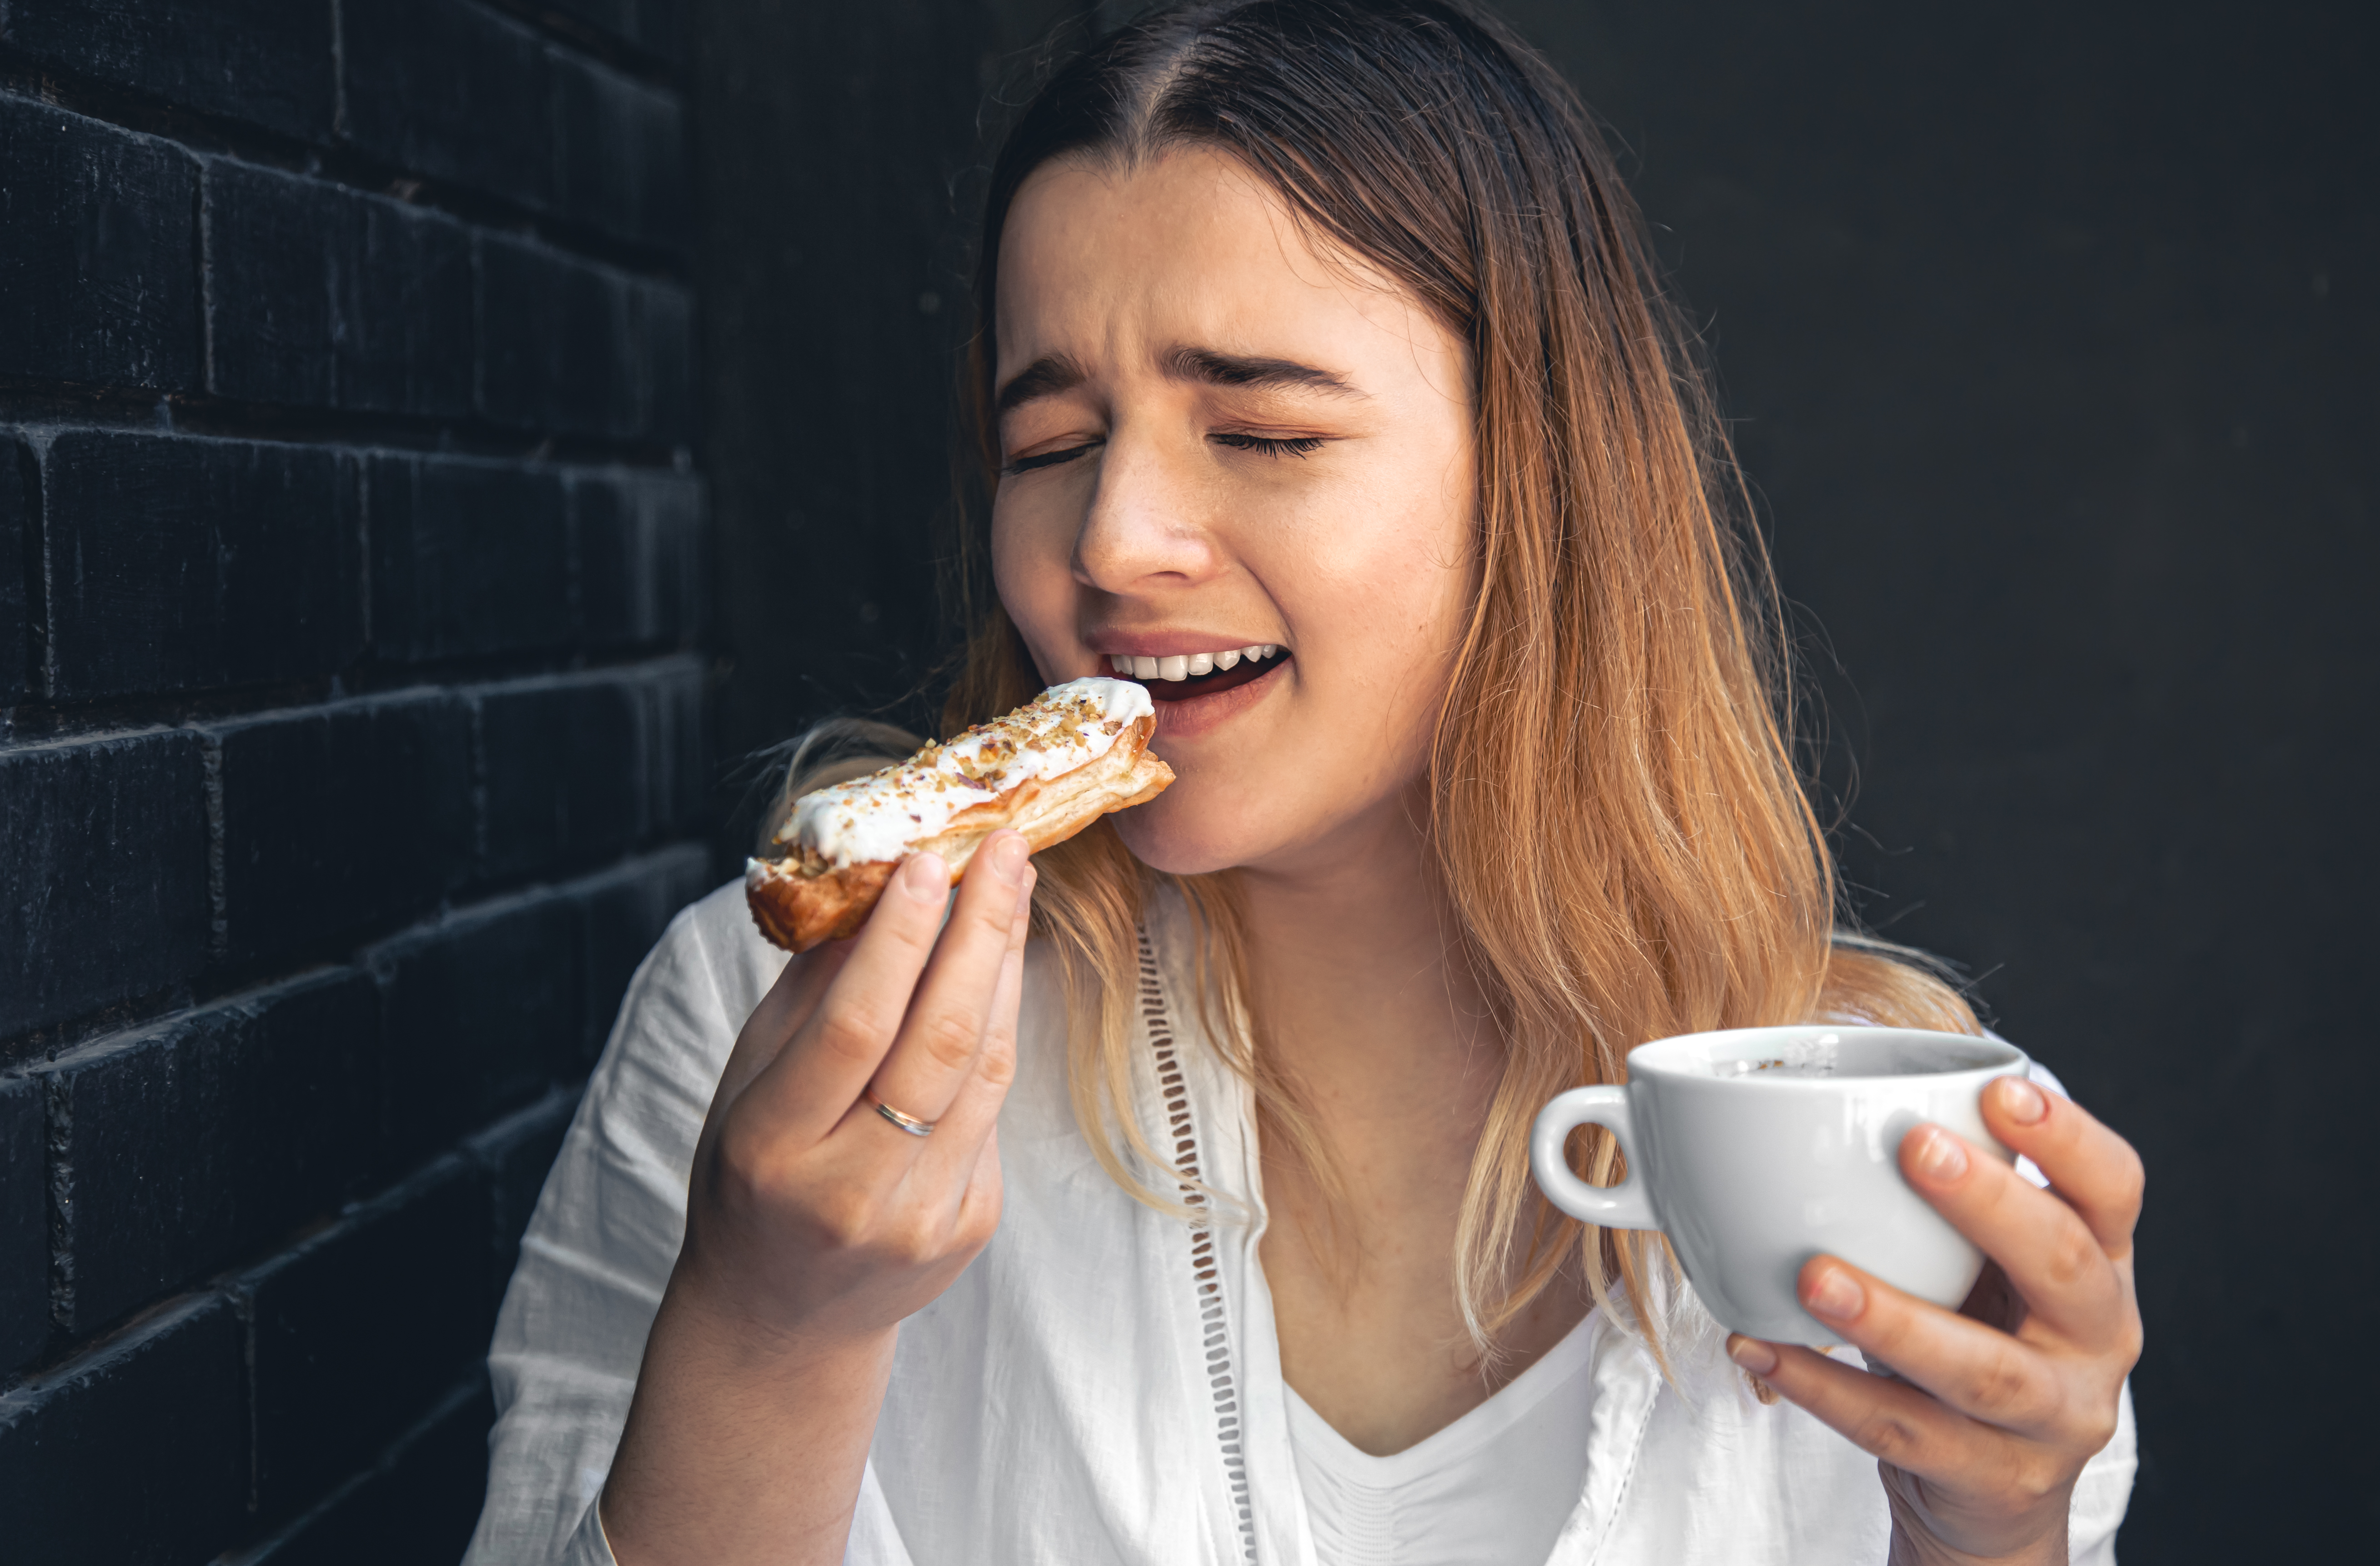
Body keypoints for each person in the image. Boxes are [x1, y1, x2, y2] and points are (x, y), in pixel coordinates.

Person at [464, 4, 2142, 1562]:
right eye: (1045, 444)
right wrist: (767, 1334)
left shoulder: (1890, 1151)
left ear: (1541, 486)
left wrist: (1991, 1537)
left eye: (1261, 431)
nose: (1110, 542)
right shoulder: (766, 1035)